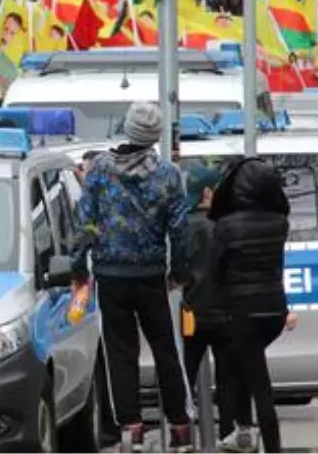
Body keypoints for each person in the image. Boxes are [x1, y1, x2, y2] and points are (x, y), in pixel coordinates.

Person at [72, 102, 193, 450]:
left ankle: (132, 425)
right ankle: (180, 425)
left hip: (110, 275)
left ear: (127, 129)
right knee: (164, 348)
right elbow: (179, 228)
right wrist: (178, 270)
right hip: (151, 274)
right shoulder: (168, 174)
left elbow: (86, 223)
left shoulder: (99, 170)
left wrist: (80, 267)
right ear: (154, 136)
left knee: (120, 351)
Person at [207, 158, 291, 454]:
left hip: (243, 309)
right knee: (238, 364)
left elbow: (214, 270)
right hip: (274, 309)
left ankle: (268, 443)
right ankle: (243, 433)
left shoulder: (226, 227)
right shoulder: (280, 223)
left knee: (258, 382)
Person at [181, 164, 238, 443]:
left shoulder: (180, 227)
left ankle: (182, 438)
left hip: (189, 316)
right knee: (228, 380)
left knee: (184, 378)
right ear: (206, 193)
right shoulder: (224, 227)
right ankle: (228, 434)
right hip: (224, 314)